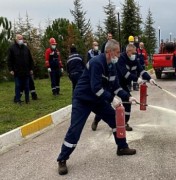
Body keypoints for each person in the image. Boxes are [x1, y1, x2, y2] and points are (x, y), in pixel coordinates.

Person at [57, 39, 137, 175]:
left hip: (97, 99)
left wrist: (127, 97)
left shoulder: (112, 66)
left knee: (114, 118)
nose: (119, 55)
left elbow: (116, 86)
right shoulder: (96, 63)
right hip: (83, 99)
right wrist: (112, 99)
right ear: (109, 52)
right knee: (75, 129)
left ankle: (122, 147)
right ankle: (62, 159)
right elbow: (96, 88)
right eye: (117, 52)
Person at [116, 43, 156, 131]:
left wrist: (149, 79)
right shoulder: (121, 59)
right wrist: (136, 79)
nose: (135, 55)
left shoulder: (134, 59)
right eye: (133, 53)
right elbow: (125, 74)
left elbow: (141, 70)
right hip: (116, 83)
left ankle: (124, 123)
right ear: (128, 52)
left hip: (124, 84)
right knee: (107, 102)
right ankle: (97, 119)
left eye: (135, 53)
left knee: (127, 101)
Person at [7, 34, 34, 104]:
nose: (21, 40)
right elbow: (9, 60)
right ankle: (18, 100)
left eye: (22, 38)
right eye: (19, 39)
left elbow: (30, 59)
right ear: (16, 39)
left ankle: (27, 100)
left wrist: (31, 69)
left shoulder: (26, 48)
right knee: (18, 86)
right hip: (17, 72)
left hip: (26, 71)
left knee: (27, 86)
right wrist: (11, 70)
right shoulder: (12, 48)